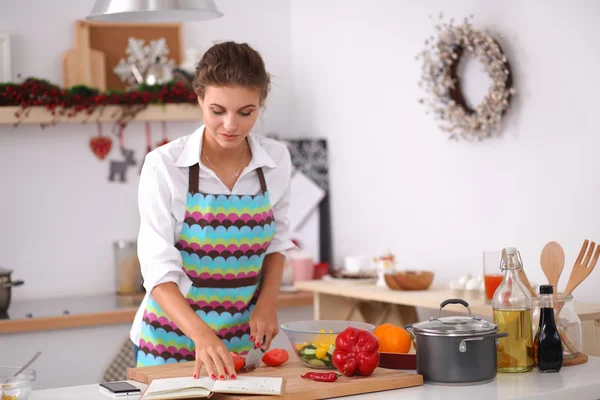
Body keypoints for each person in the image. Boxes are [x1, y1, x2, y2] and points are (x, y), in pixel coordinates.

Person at [129, 41, 295, 382]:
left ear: (260, 105)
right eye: (217, 111)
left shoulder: (277, 160)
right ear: (200, 98)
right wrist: (202, 335)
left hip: (241, 341)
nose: (230, 125)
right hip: (170, 340)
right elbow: (158, 270)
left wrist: (267, 303)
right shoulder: (165, 166)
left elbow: (277, 243)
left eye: (245, 112)